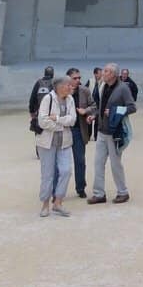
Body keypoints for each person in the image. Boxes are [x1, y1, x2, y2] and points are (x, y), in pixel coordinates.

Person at [86, 62, 137, 205]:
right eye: (104, 70)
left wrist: (116, 111)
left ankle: (123, 192)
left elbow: (132, 107)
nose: (103, 73)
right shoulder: (103, 86)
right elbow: (101, 107)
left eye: (107, 71)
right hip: (102, 131)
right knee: (98, 163)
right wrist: (94, 115)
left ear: (114, 75)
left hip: (115, 133)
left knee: (115, 164)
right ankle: (99, 194)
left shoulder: (123, 88)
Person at [36, 75, 76, 217]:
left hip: (64, 142)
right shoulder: (48, 99)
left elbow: (73, 120)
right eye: (69, 85)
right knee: (48, 175)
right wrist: (61, 126)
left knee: (66, 171)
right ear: (60, 87)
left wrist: (58, 119)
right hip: (47, 143)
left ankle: (58, 202)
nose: (71, 87)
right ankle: (45, 204)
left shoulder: (70, 99)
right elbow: (43, 121)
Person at [66, 67, 94, 198]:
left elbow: (94, 106)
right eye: (74, 78)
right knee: (62, 162)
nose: (78, 80)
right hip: (63, 131)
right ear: (68, 79)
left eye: (79, 78)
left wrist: (86, 111)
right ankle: (58, 191)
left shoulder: (85, 91)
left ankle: (81, 188)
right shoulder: (61, 91)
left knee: (80, 161)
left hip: (78, 131)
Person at [28, 65, 54, 136]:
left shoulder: (38, 83)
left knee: (39, 138)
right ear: (53, 74)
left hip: (39, 115)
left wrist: (32, 112)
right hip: (51, 116)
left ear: (44, 73)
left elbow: (32, 99)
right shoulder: (54, 83)